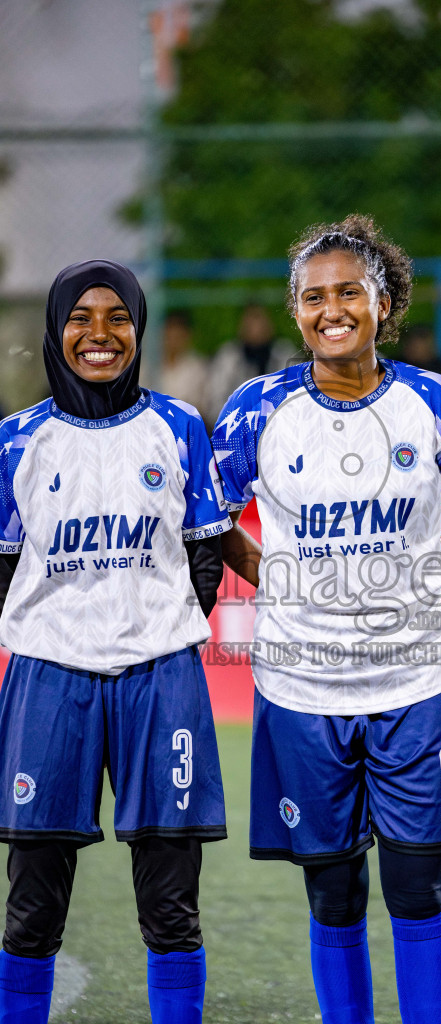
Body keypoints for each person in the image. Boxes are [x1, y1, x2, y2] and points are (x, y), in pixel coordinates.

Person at [212, 215, 441, 1024]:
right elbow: (211, 518)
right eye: (312, 297)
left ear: (383, 301)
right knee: (333, 892)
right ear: (295, 311)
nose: (329, 309)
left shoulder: (438, 403)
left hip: (414, 681)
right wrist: (273, 577)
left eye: (348, 291)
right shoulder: (253, 408)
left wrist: (414, 579)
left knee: (416, 886)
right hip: (301, 687)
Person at [0, 260, 230, 1024]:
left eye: (117, 317)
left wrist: (154, 628)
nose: (99, 334)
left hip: (160, 679)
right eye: (80, 318)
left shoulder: (178, 426)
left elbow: (204, 557)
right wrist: (53, 633)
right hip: (49, 679)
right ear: (54, 331)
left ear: (138, 326)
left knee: (171, 902)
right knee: (32, 902)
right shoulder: (16, 442)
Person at [205, 302, 298, 424]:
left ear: (270, 325)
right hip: (236, 427)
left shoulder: (284, 353)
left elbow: (295, 396)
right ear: (241, 327)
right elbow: (215, 400)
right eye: (250, 322)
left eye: (259, 320)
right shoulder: (228, 356)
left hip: (278, 425)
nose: (255, 328)